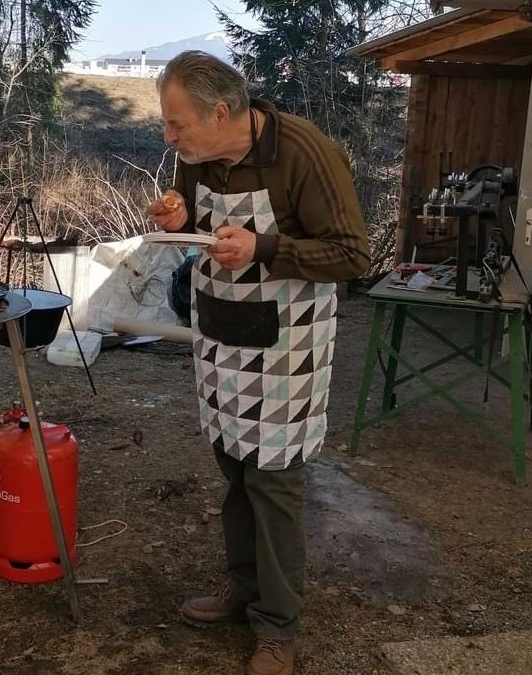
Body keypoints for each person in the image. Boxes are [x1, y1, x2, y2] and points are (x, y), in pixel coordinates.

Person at [148, 51, 370, 675]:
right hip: (221, 336)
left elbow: (353, 254)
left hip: (284, 350)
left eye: (176, 124)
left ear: (221, 112)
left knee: (272, 481)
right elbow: (190, 209)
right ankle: (243, 587)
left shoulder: (304, 152)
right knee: (233, 469)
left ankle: (278, 627)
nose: (169, 137)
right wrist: (177, 212)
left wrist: (265, 246)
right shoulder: (198, 156)